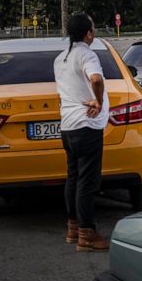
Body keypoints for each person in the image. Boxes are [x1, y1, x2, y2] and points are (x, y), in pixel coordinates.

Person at [54, 13, 111, 252]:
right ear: (88, 33)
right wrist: (98, 102)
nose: (94, 31)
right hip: (86, 126)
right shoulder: (87, 54)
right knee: (87, 182)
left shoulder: (60, 58)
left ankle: (73, 228)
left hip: (68, 127)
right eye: (94, 27)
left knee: (74, 178)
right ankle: (87, 235)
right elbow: (96, 79)